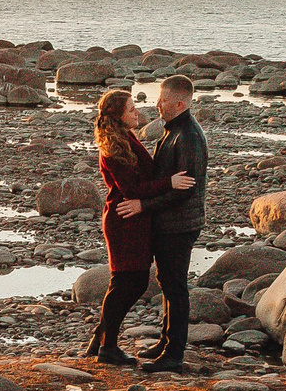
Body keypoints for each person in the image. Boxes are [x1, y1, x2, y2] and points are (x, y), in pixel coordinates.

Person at [88, 76, 207, 370]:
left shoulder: (187, 136)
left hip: (175, 223)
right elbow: (140, 186)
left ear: (179, 104)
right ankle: (110, 343)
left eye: (162, 101)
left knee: (169, 285)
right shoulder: (163, 134)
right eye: (132, 109)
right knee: (140, 282)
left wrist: (145, 204)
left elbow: (185, 188)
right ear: (119, 117)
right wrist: (152, 195)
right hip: (132, 219)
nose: (151, 108)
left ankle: (172, 354)